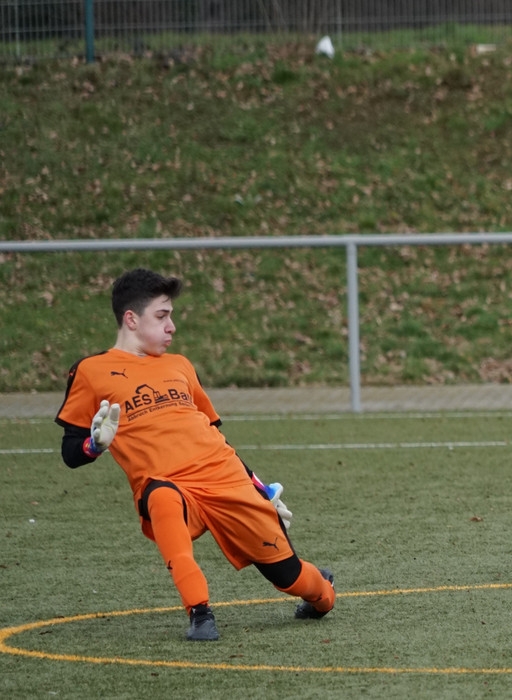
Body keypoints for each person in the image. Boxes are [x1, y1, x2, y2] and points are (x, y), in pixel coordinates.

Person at [55, 268, 336, 641]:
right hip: (168, 485)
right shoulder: (90, 371)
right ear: (131, 319)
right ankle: (200, 614)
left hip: (225, 478)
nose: (171, 326)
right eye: (162, 316)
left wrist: (260, 488)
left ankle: (323, 592)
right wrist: (94, 445)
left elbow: (213, 435)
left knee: (289, 577)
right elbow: (70, 452)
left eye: (171, 316)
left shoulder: (180, 365)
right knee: (160, 496)